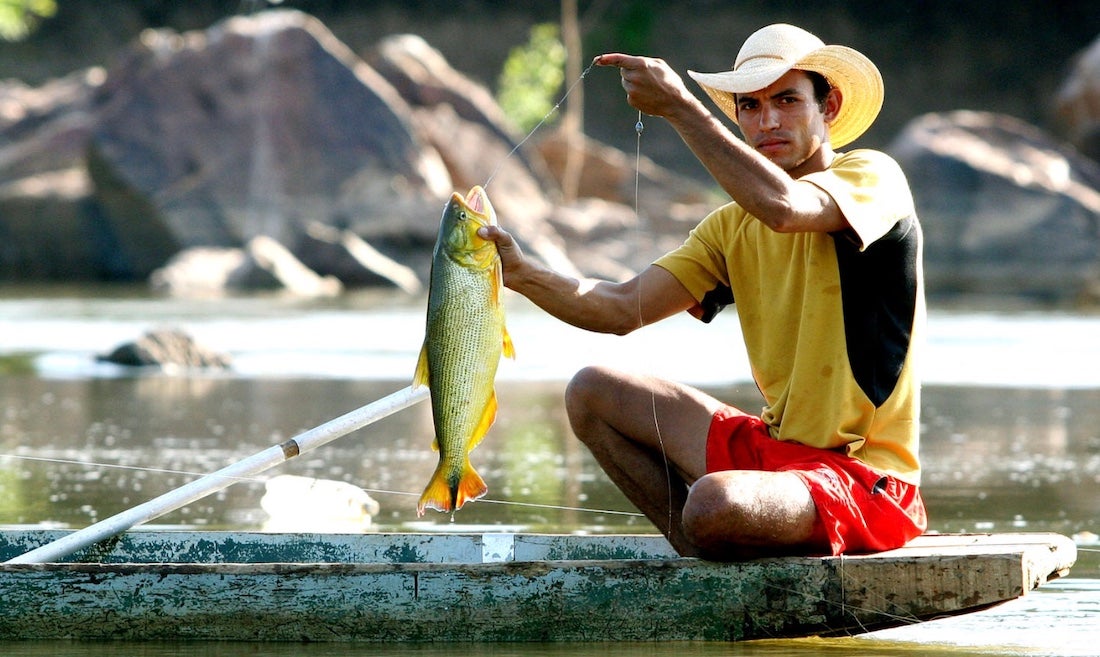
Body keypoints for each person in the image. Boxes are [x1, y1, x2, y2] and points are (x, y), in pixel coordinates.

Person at [479, 23, 927, 559]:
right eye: (750, 106)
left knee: (714, 503)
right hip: (776, 458)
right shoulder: (730, 226)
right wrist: (522, 273)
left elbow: (785, 209)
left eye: (787, 101)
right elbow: (622, 308)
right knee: (592, 390)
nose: (768, 122)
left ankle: (711, 533)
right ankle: (698, 555)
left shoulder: (872, 176)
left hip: (868, 485)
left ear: (827, 106)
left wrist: (681, 109)